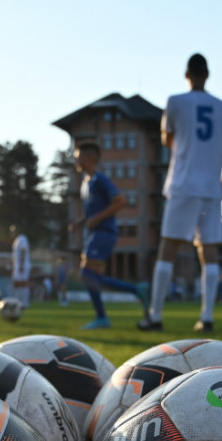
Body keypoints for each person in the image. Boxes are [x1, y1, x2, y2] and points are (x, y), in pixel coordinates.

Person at [139, 53, 222, 333]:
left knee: (168, 249)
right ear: (207, 74)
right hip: (210, 188)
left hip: (183, 184)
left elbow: (167, 138)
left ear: (187, 74)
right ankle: (206, 316)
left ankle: (156, 316)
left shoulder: (176, 102)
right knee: (210, 252)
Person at [72, 141, 148, 330]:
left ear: (89, 158)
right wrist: (81, 222)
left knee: (87, 273)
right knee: (92, 275)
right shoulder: (86, 182)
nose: (76, 160)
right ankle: (136, 290)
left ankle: (103, 316)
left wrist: (97, 219)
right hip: (96, 232)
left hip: (104, 232)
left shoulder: (100, 179)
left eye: (78, 157)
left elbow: (120, 201)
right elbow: (92, 212)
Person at [9, 224, 31, 308]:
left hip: (23, 265)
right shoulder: (16, 240)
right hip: (17, 266)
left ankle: (25, 303)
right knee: (16, 284)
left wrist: (21, 265)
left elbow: (23, 251)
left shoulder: (22, 238)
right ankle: (18, 301)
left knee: (23, 283)